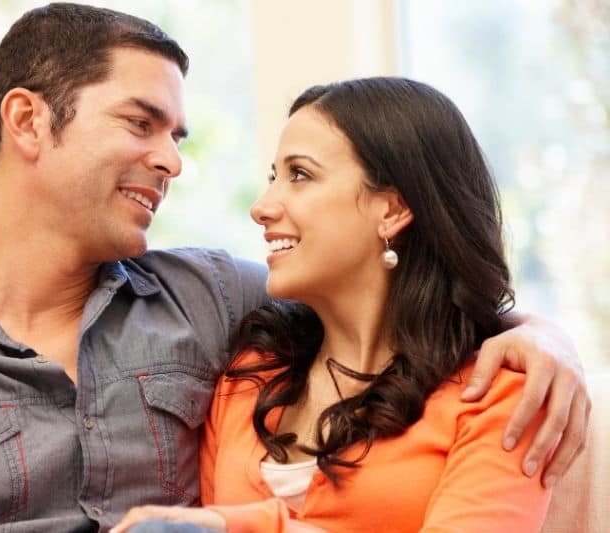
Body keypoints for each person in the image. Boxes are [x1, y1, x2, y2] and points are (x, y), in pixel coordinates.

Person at [0, 4, 588, 532]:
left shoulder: (212, 300)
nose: (174, 161)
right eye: (141, 123)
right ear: (28, 121)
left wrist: (547, 339)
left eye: (176, 133)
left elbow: (402, 305)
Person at [113, 78, 564, 532]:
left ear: (391, 210)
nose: (263, 207)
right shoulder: (251, 375)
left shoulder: (497, 394)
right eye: (275, 177)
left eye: (301, 175)